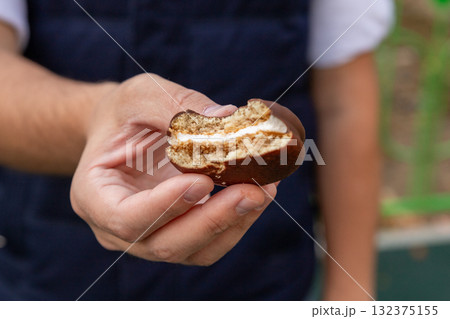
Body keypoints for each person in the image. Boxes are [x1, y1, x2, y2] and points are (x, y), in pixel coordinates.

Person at [0, 0, 393, 300]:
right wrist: (93, 117)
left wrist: (353, 294)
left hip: (263, 277)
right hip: (56, 275)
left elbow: (345, 104)